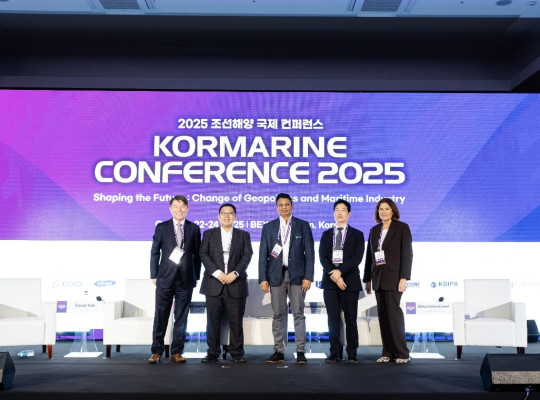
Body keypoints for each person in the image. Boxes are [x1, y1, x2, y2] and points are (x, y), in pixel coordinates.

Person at [259, 193, 315, 364]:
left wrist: (308, 276)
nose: (284, 207)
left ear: (292, 206)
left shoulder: (302, 226)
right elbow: (263, 255)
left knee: (298, 314)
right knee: (278, 314)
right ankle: (278, 350)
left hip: (297, 276)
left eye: (287, 204)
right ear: (277, 207)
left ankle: (300, 351)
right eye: (281, 205)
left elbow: (309, 254)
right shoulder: (269, 227)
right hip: (276, 276)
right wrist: (262, 278)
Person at [149, 195, 201, 364]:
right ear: (170, 209)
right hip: (165, 278)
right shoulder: (162, 227)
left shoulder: (194, 228)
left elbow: (198, 255)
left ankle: (177, 352)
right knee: (161, 315)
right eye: (176, 206)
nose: (179, 209)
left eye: (182, 206)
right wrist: (154, 274)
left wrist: (196, 275)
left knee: (181, 317)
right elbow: (155, 252)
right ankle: (156, 351)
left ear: (187, 208)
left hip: (186, 279)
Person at [199, 203, 253, 363]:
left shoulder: (243, 235)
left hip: (236, 284)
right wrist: (217, 273)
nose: (227, 216)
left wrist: (235, 273)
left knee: (236, 322)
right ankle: (212, 352)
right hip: (213, 284)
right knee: (212, 322)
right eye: (224, 213)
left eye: (230, 213)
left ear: (235, 216)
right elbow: (203, 254)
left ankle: (237, 352)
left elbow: (247, 255)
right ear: (218, 216)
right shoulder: (209, 234)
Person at [363, 198, 413, 363]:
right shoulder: (374, 230)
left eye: (386, 209)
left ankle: (403, 353)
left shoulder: (402, 228)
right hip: (378, 278)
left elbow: (407, 254)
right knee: (383, 316)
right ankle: (388, 352)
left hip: (394, 278)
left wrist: (404, 278)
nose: (383, 212)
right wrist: (367, 279)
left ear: (393, 211)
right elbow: (370, 256)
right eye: (380, 209)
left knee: (394, 316)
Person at [319, 199, 365, 363]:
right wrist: (334, 274)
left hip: (350, 282)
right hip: (330, 283)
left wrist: (340, 272)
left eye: (343, 210)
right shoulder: (326, 234)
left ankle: (352, 353)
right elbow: (323, 257)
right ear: (333, 213)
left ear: (349, 214)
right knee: (333, 319)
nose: (339, 213)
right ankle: (335, 352)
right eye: (337, 210)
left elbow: (357, 258)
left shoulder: (357, 234)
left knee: (351, 319)